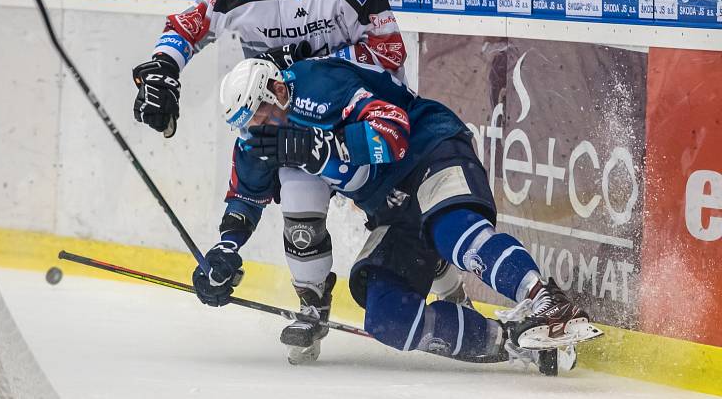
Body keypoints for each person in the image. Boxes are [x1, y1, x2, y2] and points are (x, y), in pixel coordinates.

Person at [131, 0, 469, 362]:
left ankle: (454, 294)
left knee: (400, 213)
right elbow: (190, 23)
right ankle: (313, 304)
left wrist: (305, 67)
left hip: (355, 116)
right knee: (299, 212)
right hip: (287, 121)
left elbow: (391, 55)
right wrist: (163, 66)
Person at [190, 56, 596, 369]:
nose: (255, 130)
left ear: (276, 90)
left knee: (453, 230)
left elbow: (393, 132)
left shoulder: (319, 84)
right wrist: (226, 250)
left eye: (258, 116)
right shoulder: (259, 138)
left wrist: (327, 149)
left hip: (430, 153)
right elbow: (245, 195)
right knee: (387, 317)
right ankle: (510, 341)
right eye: (246, 125)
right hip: (393, 209)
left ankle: (545, 300)